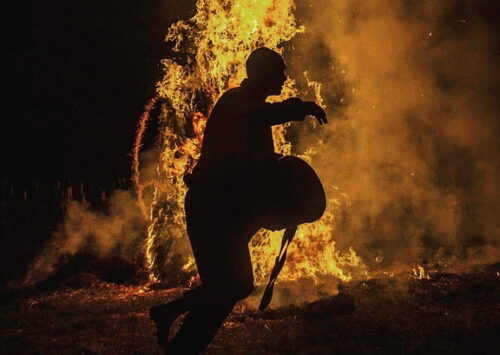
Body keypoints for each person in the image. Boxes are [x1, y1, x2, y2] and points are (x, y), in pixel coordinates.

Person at [150, 47, 327, 354]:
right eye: (279, 71)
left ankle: (171, 320)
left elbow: (256, 165)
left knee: (236, 286)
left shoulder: (250, 107)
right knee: (228, 287)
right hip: (210, 208)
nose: (284, 77)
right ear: (261, 74)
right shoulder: (236, 102)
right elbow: (261, 116)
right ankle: (180, 342)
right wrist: (301, 108)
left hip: (227, 210)